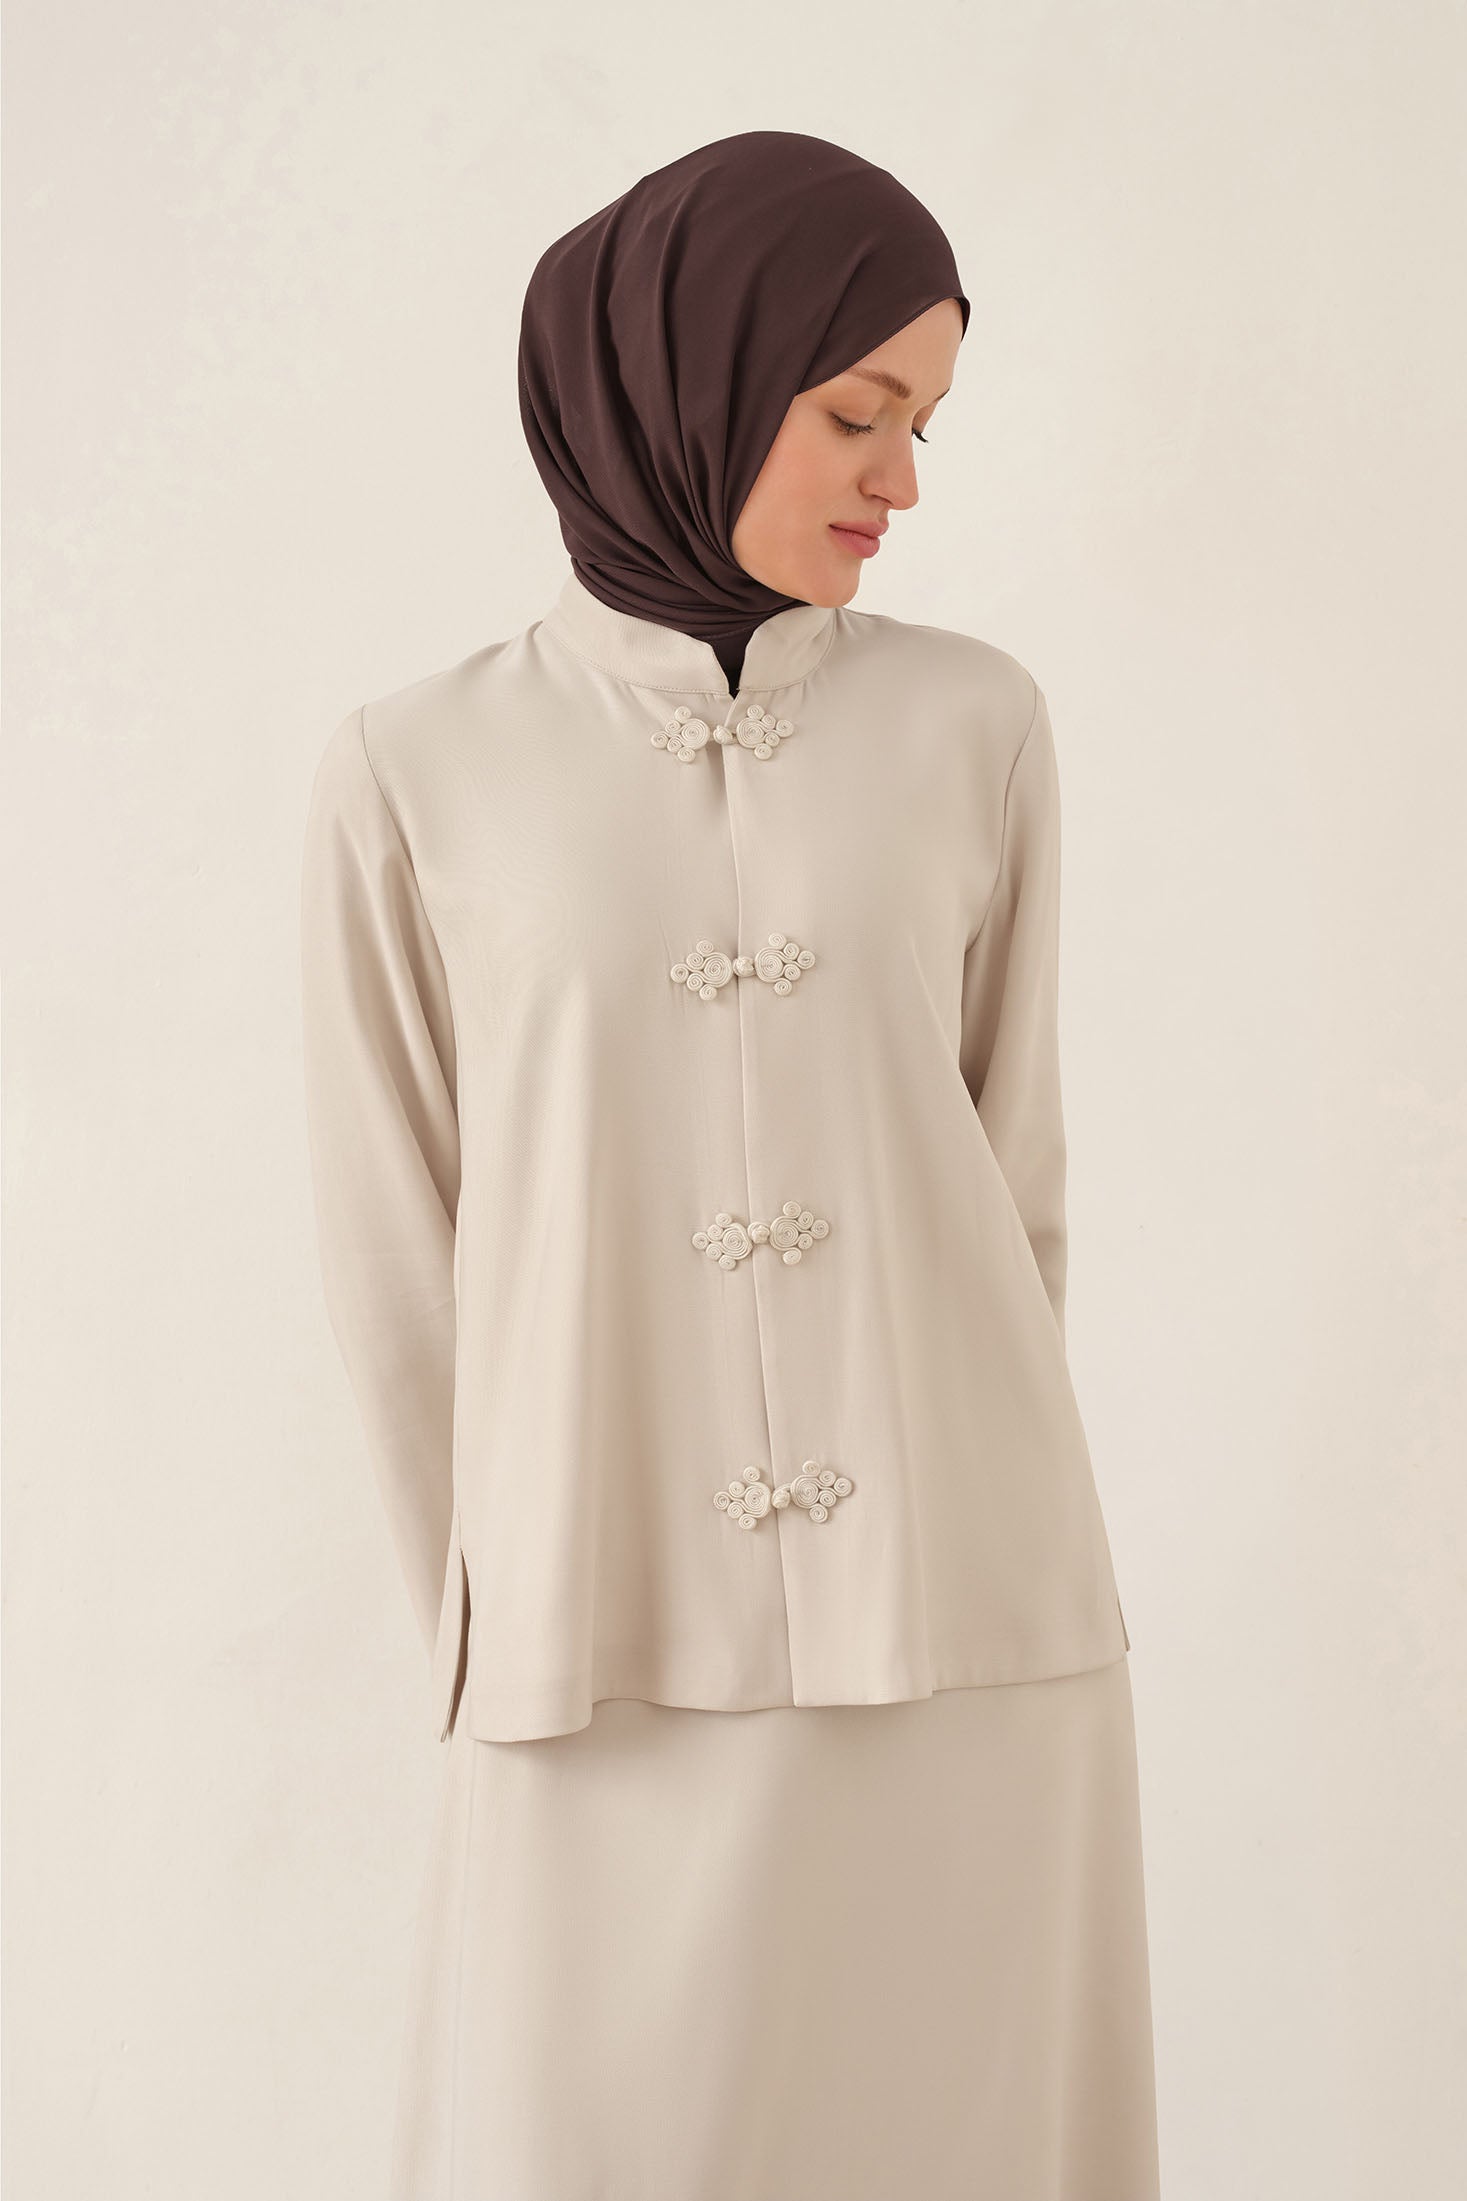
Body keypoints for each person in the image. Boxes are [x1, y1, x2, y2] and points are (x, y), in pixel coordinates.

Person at [300, 129, 1161, 2199]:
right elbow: (397, 1248)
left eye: (925, 422)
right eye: (857, 412)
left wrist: (953, 1536)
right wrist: (499, 1616)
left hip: (968, 1626)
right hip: (592, 1635)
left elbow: (1016, 1180)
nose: (902, 479)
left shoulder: (977, 726)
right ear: (688, 377)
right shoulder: (415, 768)